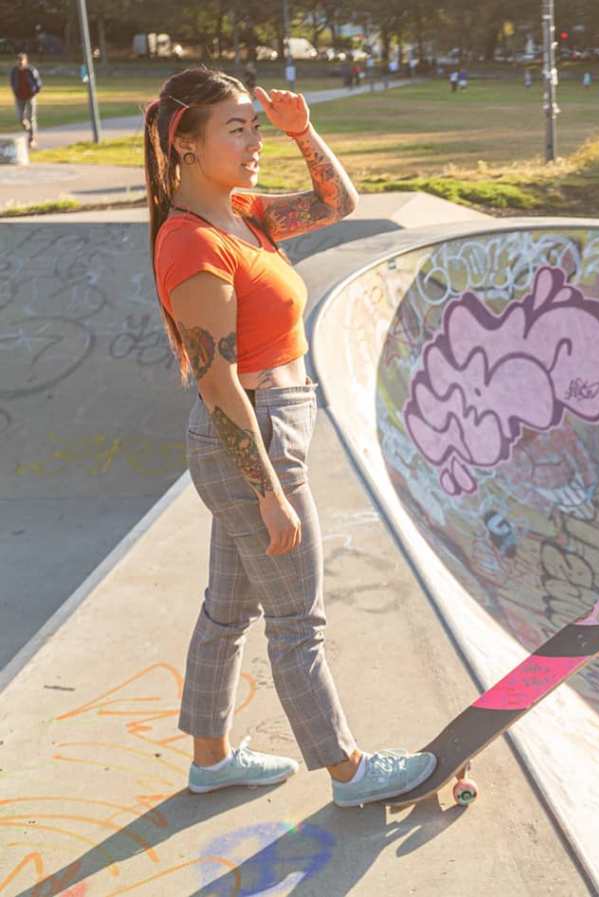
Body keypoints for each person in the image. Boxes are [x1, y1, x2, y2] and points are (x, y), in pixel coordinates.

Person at [142, 67, 437, 807]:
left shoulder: (243, 214)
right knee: (297, 620)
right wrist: (269, 491)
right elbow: (218, 383)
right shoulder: (193, 244)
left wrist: (303, 132)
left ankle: (211, 759)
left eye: (256, 127)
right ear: (186, 143)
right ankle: (350, 772)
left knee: (228, 609)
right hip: (254, 436)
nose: (254, 143)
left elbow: (338, 202)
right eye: (235, 129)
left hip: (270, 424)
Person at [10, 52, 42, 149]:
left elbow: (38, 83)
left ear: (26, 61)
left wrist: (35, 91)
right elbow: (12, 82)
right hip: (19, 97)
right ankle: (30, 131)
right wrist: (15, 91)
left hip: (30, 96)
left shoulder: (31, 70)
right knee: (21, 118)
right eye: (19, 61)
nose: (20, 63)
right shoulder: (14, 71)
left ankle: (31, 139)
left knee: (31, 117)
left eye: (22, 61)